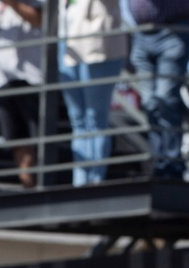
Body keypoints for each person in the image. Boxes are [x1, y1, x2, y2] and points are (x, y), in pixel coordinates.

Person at [58, 0, 126, 185]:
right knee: (78, 120)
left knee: (95, 118)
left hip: (98, 44)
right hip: (66, 44)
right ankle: (80, 182)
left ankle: (95, 181)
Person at [129, 0, 189, 180]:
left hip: (174, 31)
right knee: (149, 102)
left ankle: (172, 163)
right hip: (142, 33)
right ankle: (160, 161)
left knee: (165, 99)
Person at [0, 0, 47, 188]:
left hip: (32, 75)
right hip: (1, 77)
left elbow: (39, 19)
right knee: (15, 138)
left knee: (36, 139)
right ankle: (27, 183)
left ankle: (38, 186)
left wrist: (12, 3)